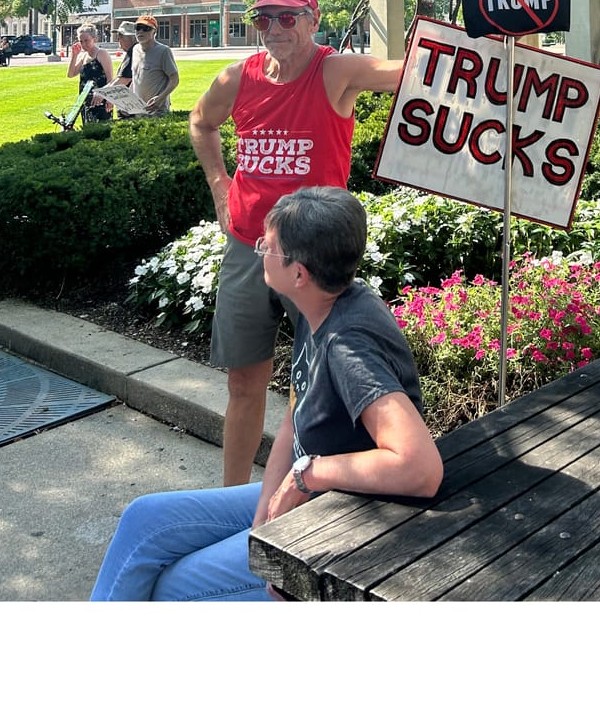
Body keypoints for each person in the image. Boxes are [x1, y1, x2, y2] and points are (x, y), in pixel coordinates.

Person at [88, 186, 442, 601]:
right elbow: (295, 420)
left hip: (345, 519)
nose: (259, 250)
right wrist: (263, 534)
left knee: (174, 588)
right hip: (311, 495)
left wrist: (308, 475)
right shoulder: (320, 305)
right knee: (144, 521)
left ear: (299, 273)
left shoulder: (348, 345)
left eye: (268, 246)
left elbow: (420, 468)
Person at [189, 0, 405, 486]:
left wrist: (494, 39)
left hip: (314, 252)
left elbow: (406, 73)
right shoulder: (237, 79)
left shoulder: (334, 71)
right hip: (250, 246)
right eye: (264, 18)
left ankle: (301, 495)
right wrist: (221, 186)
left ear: (312, 21)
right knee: (243, 383)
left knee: (318, 383)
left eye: (288, 17)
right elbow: (201, 122)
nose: (275, 28)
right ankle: (233, 501)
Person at [128, 15, 180, 115]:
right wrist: (129, 101)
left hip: (157, 111)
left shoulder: (163, 51)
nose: (141, 32)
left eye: (146, 28)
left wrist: (160, 98)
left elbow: (175, 79)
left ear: (154, 32)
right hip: (139, 110)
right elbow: (135, 79)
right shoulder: (135, 49)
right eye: (138, 28)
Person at [65, 22, 111, 124]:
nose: (84, 44)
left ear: (94, 39)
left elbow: (110, 78)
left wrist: (108, 98)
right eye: (81, 41)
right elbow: (71, 74)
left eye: (86, 40)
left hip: (100, 100)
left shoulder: (102, 54)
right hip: (85, 101)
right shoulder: (83, 56)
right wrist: (74, 55)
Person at [111, 21, 138, 88]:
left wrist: (102, 94)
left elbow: (124, 79)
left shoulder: (134, 52)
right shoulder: (135, 51)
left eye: (120, 36)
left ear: (132, 38)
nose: (118, 40)